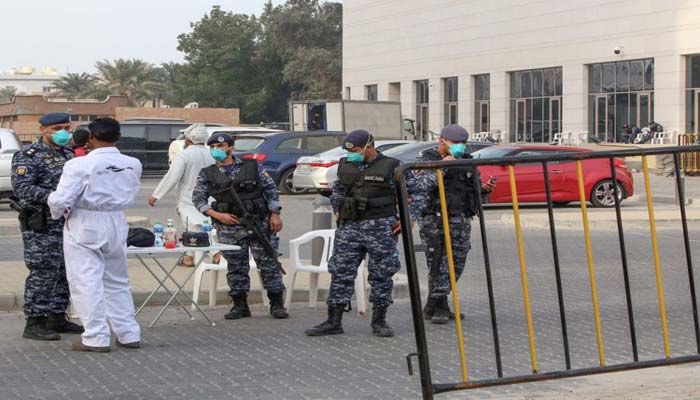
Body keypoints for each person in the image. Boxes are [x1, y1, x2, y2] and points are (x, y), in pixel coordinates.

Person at [305, 129, 421, 337]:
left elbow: (418, 192)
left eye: (356, 151)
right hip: (349, 227)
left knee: (381, 274)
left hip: (380, 227)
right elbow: (338, 189)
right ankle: (334, 321)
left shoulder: (393, 166)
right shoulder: (346, 165)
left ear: (369, 146)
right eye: (349, 151)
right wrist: (337, 206)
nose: (352, 155)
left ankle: (379, 321)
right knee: (340, 272)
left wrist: (409, 217)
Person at [47, 117, 143, 353]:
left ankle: (95, 337)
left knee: (85, 281)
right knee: (117, 280)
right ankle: (128, 333)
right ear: (118, 137)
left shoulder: (79, 165)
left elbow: (61, 199)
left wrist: (56, 210)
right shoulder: (133, 163)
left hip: (86, 220)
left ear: (90, 137)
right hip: (117, 220)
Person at [192, 132, 288, 320]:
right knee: (236, 265)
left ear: (231, 148)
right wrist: (217, 215)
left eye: (219, 147)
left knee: (269, 263)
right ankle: (240, 305)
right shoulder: (208, 173)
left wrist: (275, 213)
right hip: (229, 225)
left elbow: (271, 189)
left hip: (258, 221)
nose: (215, 150)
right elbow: (198, 199)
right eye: (212, 147)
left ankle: (276, 304)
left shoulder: (251, 166)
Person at [11, 112, 83, 341]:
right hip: (41, 222)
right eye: (57, 128)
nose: (63, 132)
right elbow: (23, 188)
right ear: (42, 129)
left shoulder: (70, 154)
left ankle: (57, 316)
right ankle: (35, 321)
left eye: (66, 127)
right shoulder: (28, 156)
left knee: (64, 269)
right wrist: (57, 197)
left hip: (68, 221)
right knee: (43, 271)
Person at [412, 125, 495, 324]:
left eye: (463, 143)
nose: (460, 147)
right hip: (435, 219)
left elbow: (469, 188)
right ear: (442, 140)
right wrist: (442, 167)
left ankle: (433, 303)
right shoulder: (425, 159)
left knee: (456, 263)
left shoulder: (466, 161)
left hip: (460, 218)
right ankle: (439, 307)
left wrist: (484, 189)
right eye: (455, 143)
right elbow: (419, 186)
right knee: (437, 263)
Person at [149, 123, 215, 267]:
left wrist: (156, 195)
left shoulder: (183, 155)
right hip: (209, 198)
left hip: (188, 198)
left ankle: (206, 256)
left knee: (192, 227)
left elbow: (172, 177)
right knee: (205, 226)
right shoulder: (212, 153)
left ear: (189, 139)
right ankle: (190, 257)